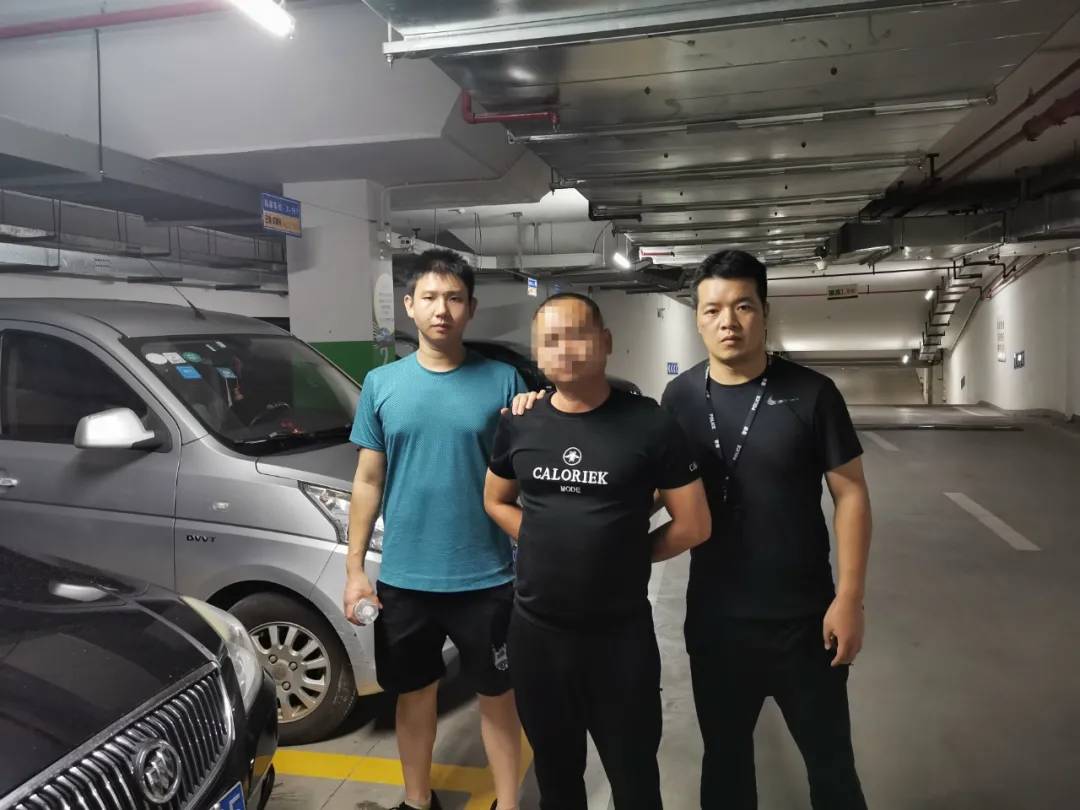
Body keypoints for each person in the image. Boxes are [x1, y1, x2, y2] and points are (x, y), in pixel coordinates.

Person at [661, 250, 872, 809]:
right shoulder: (679, 398)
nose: (727, 322)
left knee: (831, 767)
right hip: (716, 623)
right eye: (712, 310)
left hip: (806, 623)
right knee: (725, 764)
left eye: (743, 306)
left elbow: (850, 493)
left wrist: (849, 598)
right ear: (697, 318)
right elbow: (657, 488)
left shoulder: (813, 393)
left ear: (764, 311)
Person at [484, 293, 712, 810]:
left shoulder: (649, 423)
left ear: (605, 342)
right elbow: (495, 500)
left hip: (619, 641)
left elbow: (694, 524)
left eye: (577, 335)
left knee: (635, 780)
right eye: (550, 340)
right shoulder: (520, 422)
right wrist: (540, 538)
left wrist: (625, 551)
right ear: (537, 354)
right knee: (556, 779)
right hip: (536, 638)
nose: (564, 349)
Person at [343, 249, 525, 810]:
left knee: (498, 696)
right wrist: (354, 569)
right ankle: (417, 801)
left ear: (471, 307)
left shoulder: (504, 382)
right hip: (406, 579)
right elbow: (368, 480)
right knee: (413, 695)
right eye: (429, 297)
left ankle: (508, 804)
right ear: (409, 305)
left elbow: (527, 474)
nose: (441, 310)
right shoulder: (381, 384)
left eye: (453, 298)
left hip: (487, 576)